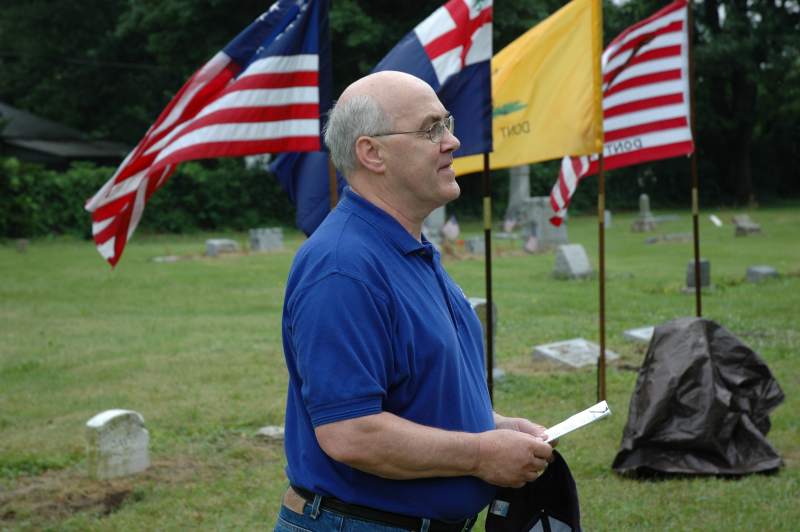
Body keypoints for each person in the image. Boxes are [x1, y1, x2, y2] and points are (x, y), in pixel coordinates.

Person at [275, 71, 553, 532]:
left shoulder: (405, 248)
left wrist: (492, 425)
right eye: (431, 130)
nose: (453, 142)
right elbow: (351, 434)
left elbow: (418, 393)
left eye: (446, 124)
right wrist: (482, 453)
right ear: (372, 153)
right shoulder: (342, 267)